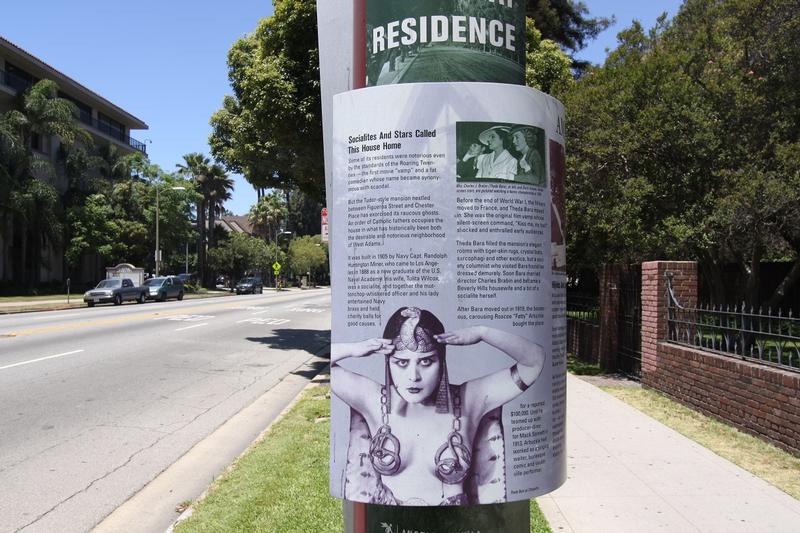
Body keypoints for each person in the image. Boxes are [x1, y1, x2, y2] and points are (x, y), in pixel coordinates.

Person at [331, 306, 545, 506]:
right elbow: (323, 363)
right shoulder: (373, 400)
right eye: (402, 363)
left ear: (441, 361)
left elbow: (534, 362)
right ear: (388, 362)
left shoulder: (469, 400)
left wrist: (482, 332)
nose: (413, 377)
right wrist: (355, 349)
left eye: (426, 362)